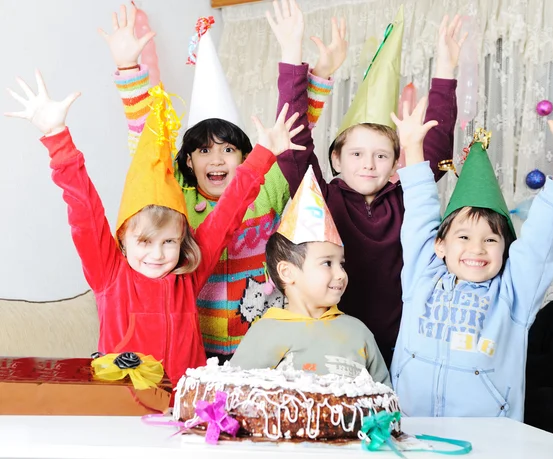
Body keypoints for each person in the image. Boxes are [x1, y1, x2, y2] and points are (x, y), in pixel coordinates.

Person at [4, 69, 304, 383]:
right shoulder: (108, 274)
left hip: (184, 412)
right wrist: (57, 137)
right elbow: (84, 209)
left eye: (169, 242)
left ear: (182, 241)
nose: (158, 254)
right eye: (145, 242)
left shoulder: (187, 273)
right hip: (122, 412)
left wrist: (264, 154)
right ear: (124, 239)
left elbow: (228, 212)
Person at [99, 3, 346, 362]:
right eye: (203, 150)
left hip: (263, 348)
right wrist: (128, 70)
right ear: (187, 160)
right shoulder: (175, 200)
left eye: (228, 148)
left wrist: (314, 72)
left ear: (246, 158)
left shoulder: (267, 187)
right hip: (195, 349)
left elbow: (292, 135)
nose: (216, 159)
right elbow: (146, 142)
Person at [270, 0, 463, 366]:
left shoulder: (408, 198)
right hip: (331, 345)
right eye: (356, 154)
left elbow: (435, 144)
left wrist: (446, 66)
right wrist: (291, 52)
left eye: (381, 155)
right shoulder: (321, 197)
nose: (369, 165)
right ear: (337, 159)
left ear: (396, 162)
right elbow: (294, 142)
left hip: (400, 347)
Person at [390, 97, 553, 420]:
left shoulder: (514, 294)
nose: (477, 249)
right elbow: (419, 211)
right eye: (463, 237)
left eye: (490, 239)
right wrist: (413, 147)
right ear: (440, 245)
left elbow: (539, 237)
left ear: (506, 249)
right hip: (408, 431)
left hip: (489, 442)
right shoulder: (422, 275)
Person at [230, 167, 390, 386]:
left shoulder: (358, 332)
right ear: (288, 272)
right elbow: (236, 395)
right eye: (327, 263)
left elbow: (384, 397)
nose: (340, 274)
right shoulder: (266, 332)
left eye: (341, 264)